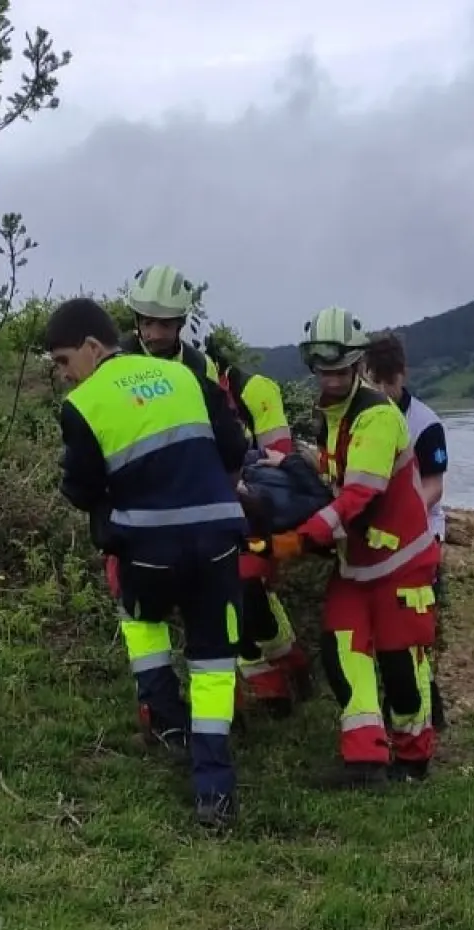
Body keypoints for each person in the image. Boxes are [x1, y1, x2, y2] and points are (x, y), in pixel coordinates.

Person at [45, 296, 250, 828]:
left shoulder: (83, 405)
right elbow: (234, 446)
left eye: (65, 361)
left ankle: (167, 725)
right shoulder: (183, 376)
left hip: (150, 554)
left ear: (93, 348)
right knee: (212, 664)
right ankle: (214, 790)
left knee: (142, 619)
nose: (65, 376)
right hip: (218, 544)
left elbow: (81, 488)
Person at [264, 307, 441, 787]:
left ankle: (414, 757)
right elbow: (332, 474)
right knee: (344, 654)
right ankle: (365, 760)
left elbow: (359, 494)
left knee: (401, 666)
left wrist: (300, 539)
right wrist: (287, 467)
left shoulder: (378, 417)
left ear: (358, 363)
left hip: (401, 565)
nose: (333, 378)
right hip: (356, 567)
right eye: (325, 370)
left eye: (341, 369)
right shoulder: (332, 414)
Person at [123, 262, 311, 714]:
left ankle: (271, 678)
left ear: (181, 323)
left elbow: (225, 435)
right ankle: (161, 706)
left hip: (205, 494)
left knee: (236, 589)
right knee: (145, 605)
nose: (154, 331)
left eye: (164, 323)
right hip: (142, 498)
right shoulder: (121, 362)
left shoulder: (205, 370)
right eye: (147, 321)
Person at [364, 332, 451, 732]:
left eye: (390, 383)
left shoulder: (426, 423)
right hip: (375, 541)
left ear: (403, 374)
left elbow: (434, 486)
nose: (383, 392)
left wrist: (402, 513)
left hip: (420, 538)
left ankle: (425, 705)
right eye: (374, 383)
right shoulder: (359, 417)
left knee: (415, 627)